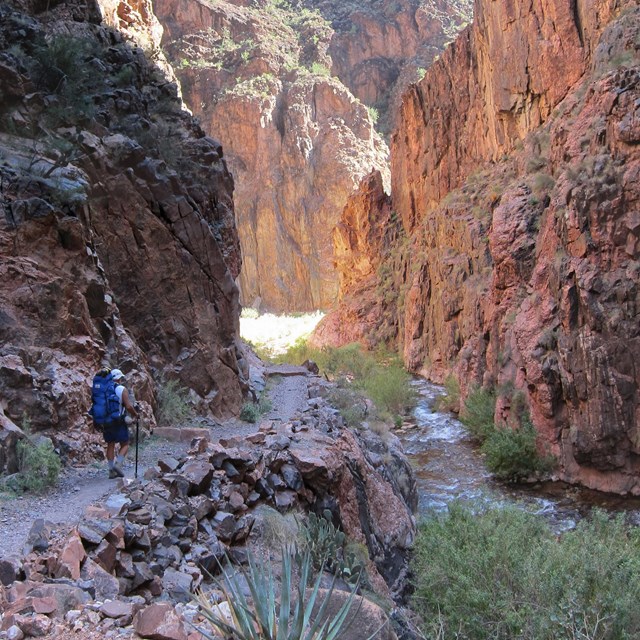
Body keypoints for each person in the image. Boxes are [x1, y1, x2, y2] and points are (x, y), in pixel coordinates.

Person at [104, 369, 139, 478]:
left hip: (106, 420)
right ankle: (118, 465)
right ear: (119, 378)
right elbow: (128, 406)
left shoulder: (104, 389)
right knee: (125, 443)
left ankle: (111, 470)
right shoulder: (121, 389)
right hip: (118, 420)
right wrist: (135, 414)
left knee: (110, 443)